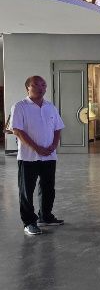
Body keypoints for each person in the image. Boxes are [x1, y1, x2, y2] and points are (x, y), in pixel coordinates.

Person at [9, 75, 65, 235]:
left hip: (49, 156)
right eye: (36, 85)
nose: (41, 88)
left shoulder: (50, 107)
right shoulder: (20, 106)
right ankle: (29, 222)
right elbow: (17, 131)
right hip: (28, 157)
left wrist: (53, 145)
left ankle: (45, 216)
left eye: (43, 85)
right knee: (27, 191)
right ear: (28, 87)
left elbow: (58, 128)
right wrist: (37, 148)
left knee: (48, 188)